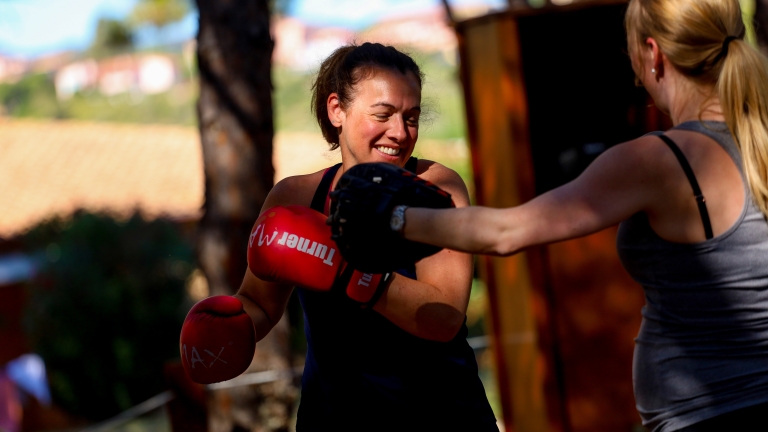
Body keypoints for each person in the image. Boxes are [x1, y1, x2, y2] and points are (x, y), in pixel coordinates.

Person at [335, 1, 768, 431]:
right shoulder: (759, 141)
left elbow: (506, 232)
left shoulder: (659, 159)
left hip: (710, 416)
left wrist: (390, 217)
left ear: (653, 55)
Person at [180, 42, 499, 431]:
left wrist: (345, 269)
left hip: (441, 415)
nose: (399, 132)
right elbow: (259, 303)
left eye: (411, 117)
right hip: (332, 418)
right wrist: (227, 328)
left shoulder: (435, 187)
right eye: (383, 114)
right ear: (337, 110)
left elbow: (444, 318)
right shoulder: (296, 198)